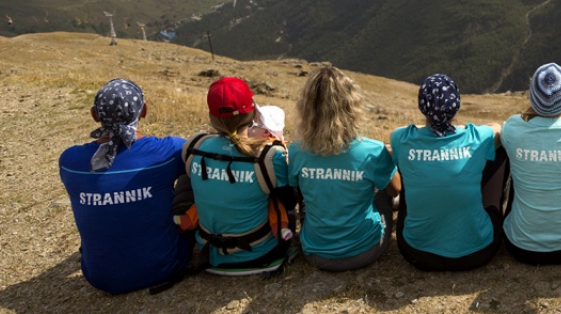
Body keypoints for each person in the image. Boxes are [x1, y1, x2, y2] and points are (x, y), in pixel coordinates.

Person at [59, 79, 193, 293]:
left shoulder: (70, 161)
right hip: (165, 267)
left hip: (100, 277)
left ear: (94, 115)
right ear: (144, 111)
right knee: (189, 171)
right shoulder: (169, 151)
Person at [391, 74, 509, 271]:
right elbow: (497, 128)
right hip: (478, 253)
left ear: (423, 106)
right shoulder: (476, 137)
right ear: (456, 105)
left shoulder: (401, 138)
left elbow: (405, 132)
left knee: (409, 171)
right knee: (499, 151)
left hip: (418, 254)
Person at [288, 66, 400, 271]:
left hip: (314, 252)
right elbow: (395, 190)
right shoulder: (372, 151)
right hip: (365, 250)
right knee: (383, 191)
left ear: (307, 107)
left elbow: (295, 189)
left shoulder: (296, 151)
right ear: (351, 105)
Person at [184, 76, 295, 275]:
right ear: (252, 112)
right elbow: (290, 199)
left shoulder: (195, 146)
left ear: (211, 116)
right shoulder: (269, 156)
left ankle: (182, 223)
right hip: (258, 252)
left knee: (188, 181)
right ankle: (287, 237)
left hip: (207, 251)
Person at [501, 63, 561, 265]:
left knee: (512, 158)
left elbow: (501, 130)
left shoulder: (512, 130)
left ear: (532, 98)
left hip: (521, 248)